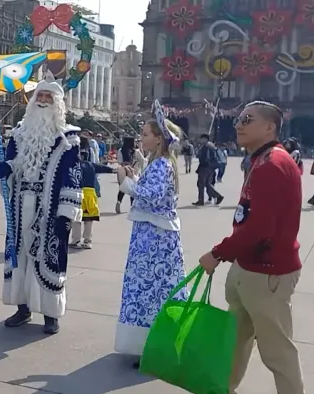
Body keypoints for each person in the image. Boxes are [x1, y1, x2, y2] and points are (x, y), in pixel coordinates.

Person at [199, 101, 305, 394]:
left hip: (267, 273)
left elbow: (259, 230)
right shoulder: (261, 159)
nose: (239, 125)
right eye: (237, 120)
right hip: (250, 268)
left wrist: (218, 253)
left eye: (247, 119)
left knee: (278, 353)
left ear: (270, 127)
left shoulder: (272, 164)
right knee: (234, 344)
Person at [0, 76, 82, 334]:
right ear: (33, 101)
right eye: (40, 96)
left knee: (49, 258)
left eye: (49, 97)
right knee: (19, 256)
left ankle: (51, 313)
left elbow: (72, 176)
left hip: (51, 209)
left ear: (57, 104)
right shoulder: (20, 134)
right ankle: (23, 307)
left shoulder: (68, 140)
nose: (44, 101)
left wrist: (66, 214)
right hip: (20, 206)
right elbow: (11, 166)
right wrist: (5, 169)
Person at [114, 102, 187, 368]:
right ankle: (156, 343)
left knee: (150, 289)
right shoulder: (161, 162)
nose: (141, 138)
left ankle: (152, 345)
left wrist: (126, 182)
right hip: (155, 235)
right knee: (156, 289)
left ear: (158, 139)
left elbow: (153, 197)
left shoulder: (161, 165)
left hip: (154, 240)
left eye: (145, 134)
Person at [71, 138, 115, 250]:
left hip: (77, 194)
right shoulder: (91, 165)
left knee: (76, 218)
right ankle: (87, 241)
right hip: (90, 194)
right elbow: (103, 168)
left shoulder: (73, 166)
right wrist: (114, 170)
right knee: (88, 220)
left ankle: (75, 240)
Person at [193, 134, 223, 206]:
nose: (201, 140)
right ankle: (217, 196)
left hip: (205, 167)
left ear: (205, 139)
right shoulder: (211, 146)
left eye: (202, 139)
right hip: (211, 167)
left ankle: (201, 201)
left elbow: (204, 158)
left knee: (201, 184)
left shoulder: (206, 146)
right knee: (207, 184)